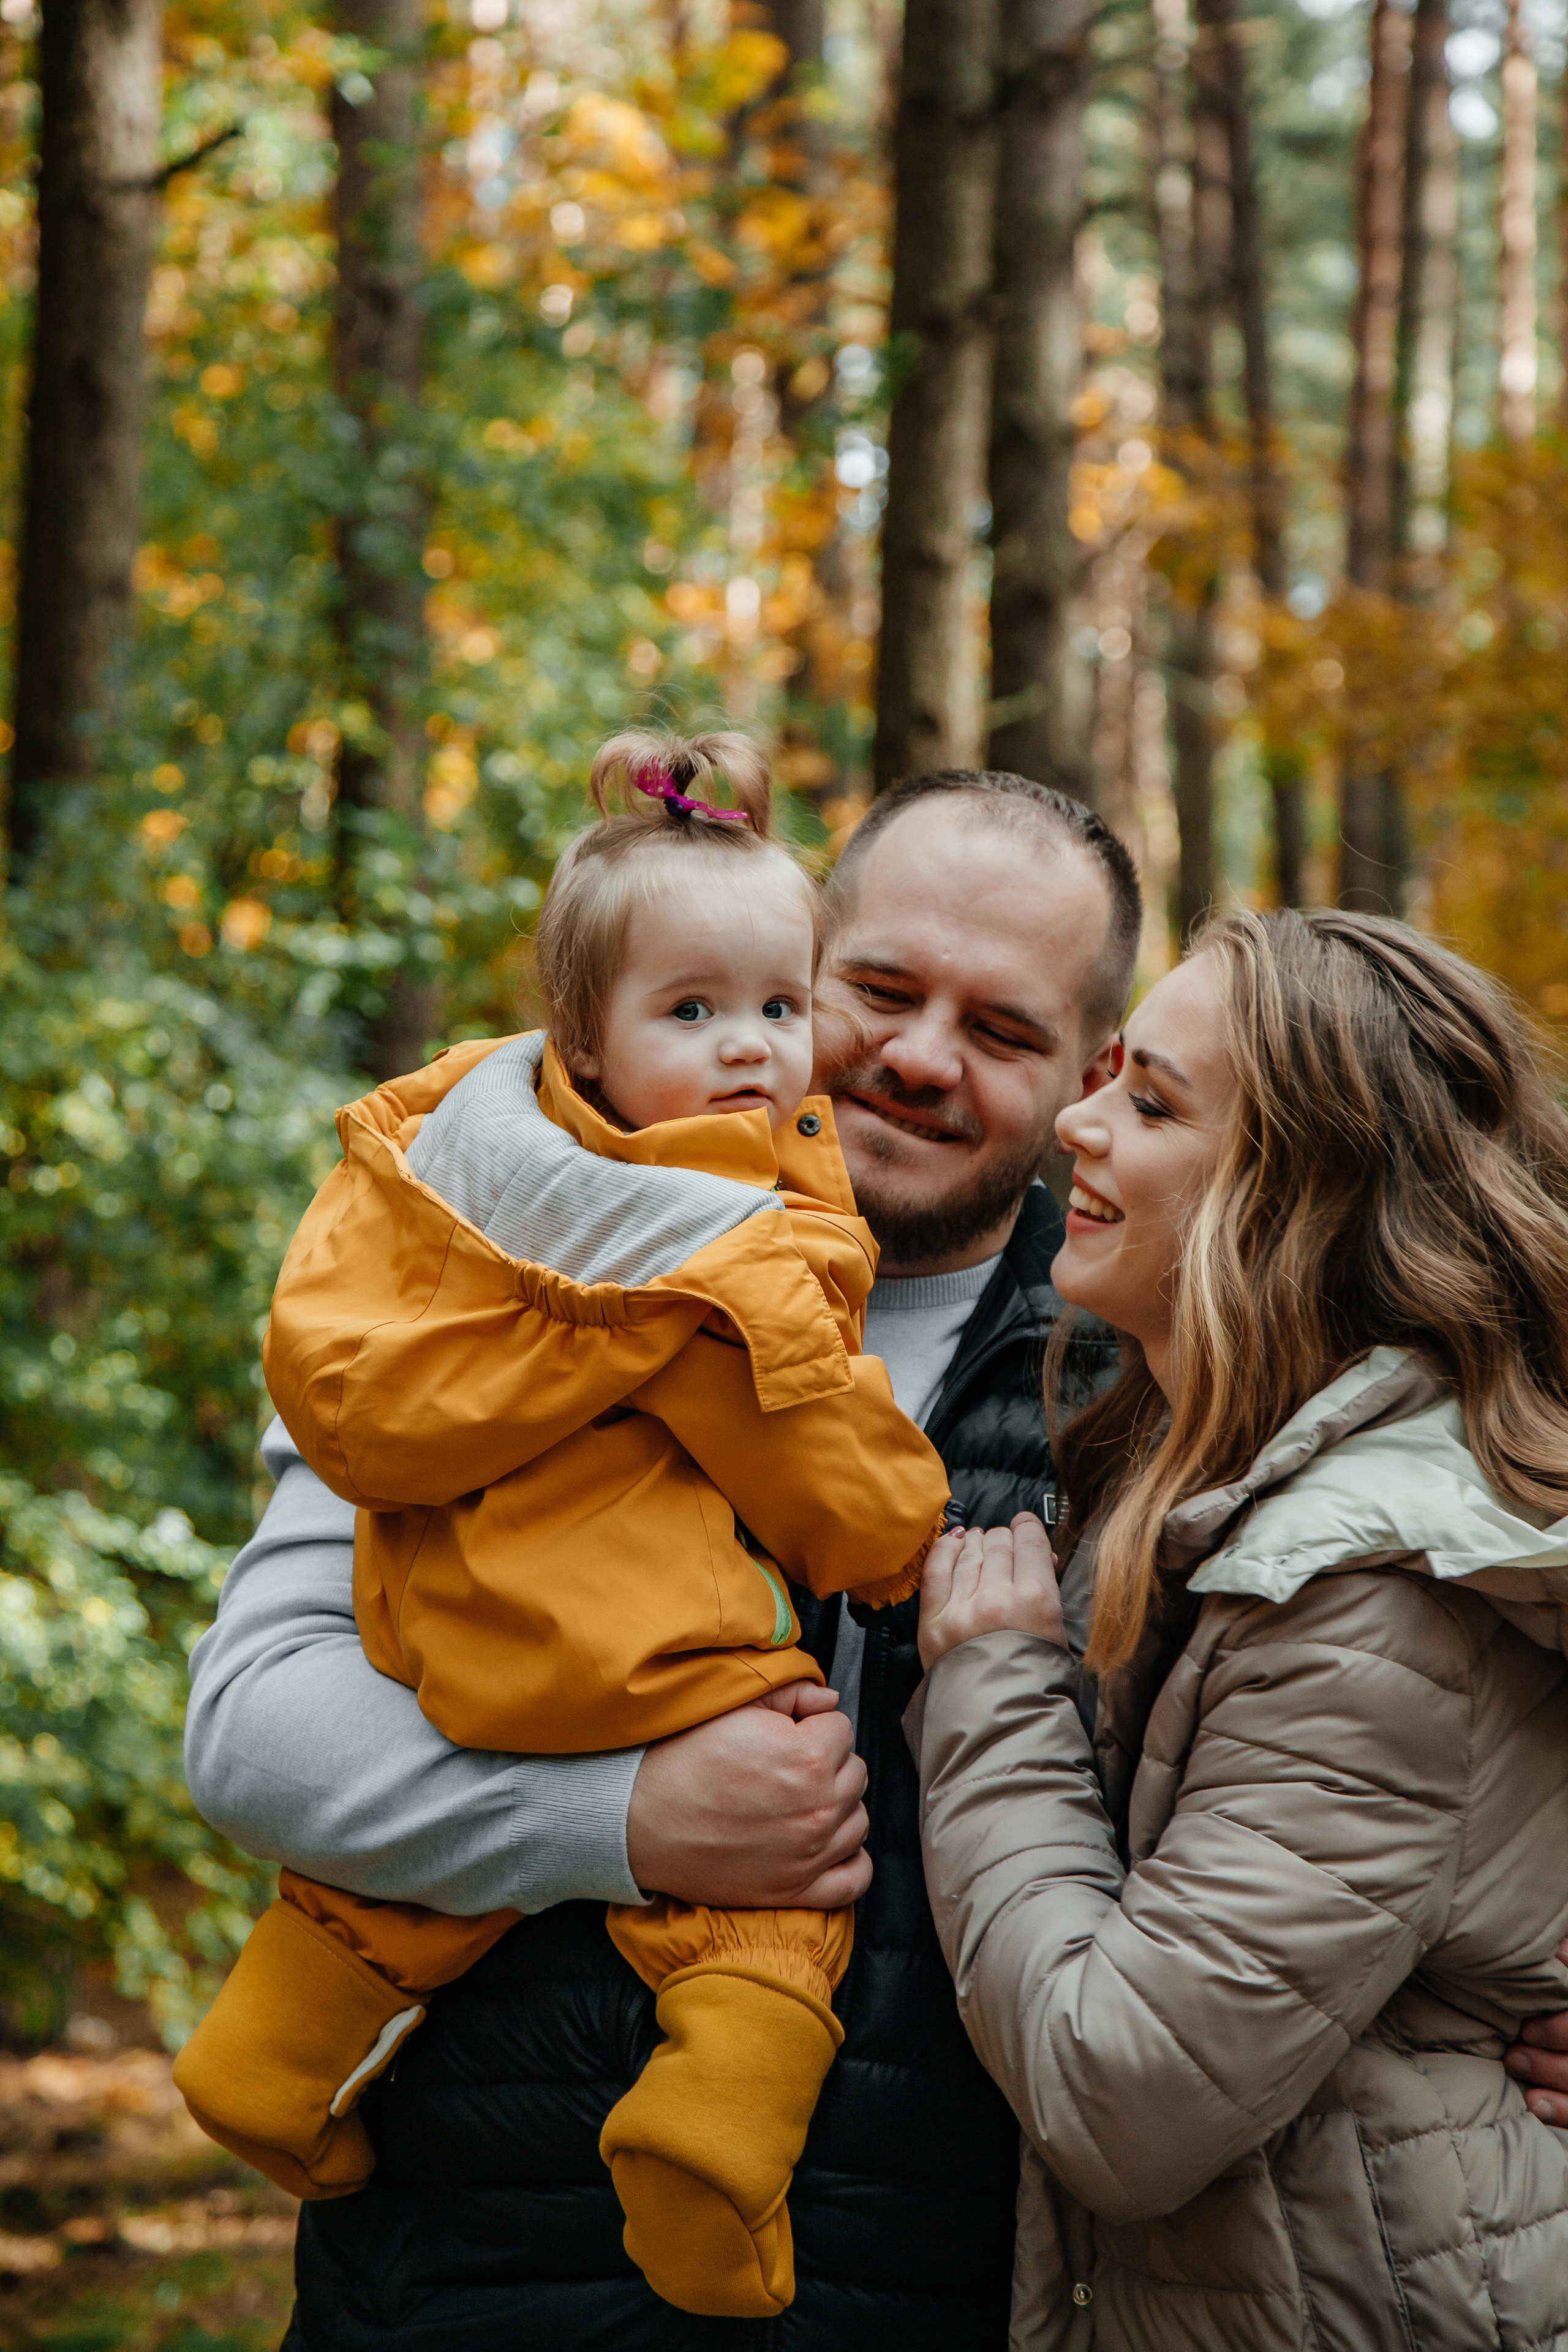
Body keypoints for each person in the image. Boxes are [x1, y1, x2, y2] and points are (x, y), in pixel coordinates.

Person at [185, 766, 1134, 2350]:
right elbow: (253, 1735)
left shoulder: (1142, 1372)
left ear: (1089, 1069)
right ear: (791, 960)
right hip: (470, 2284)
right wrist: (616, 1820)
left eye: (1001, 1030)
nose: (913, 1057)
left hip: (926, 2290)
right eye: (878, 990)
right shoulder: (489, 1251)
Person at [911, 907, 1568, 2350]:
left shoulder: (1363, 1594)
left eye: (1147, 1101)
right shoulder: (1186, 1486)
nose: (1077, 1124)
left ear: (1296, 1196)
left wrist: (991, 1683)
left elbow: (1119, 2100)